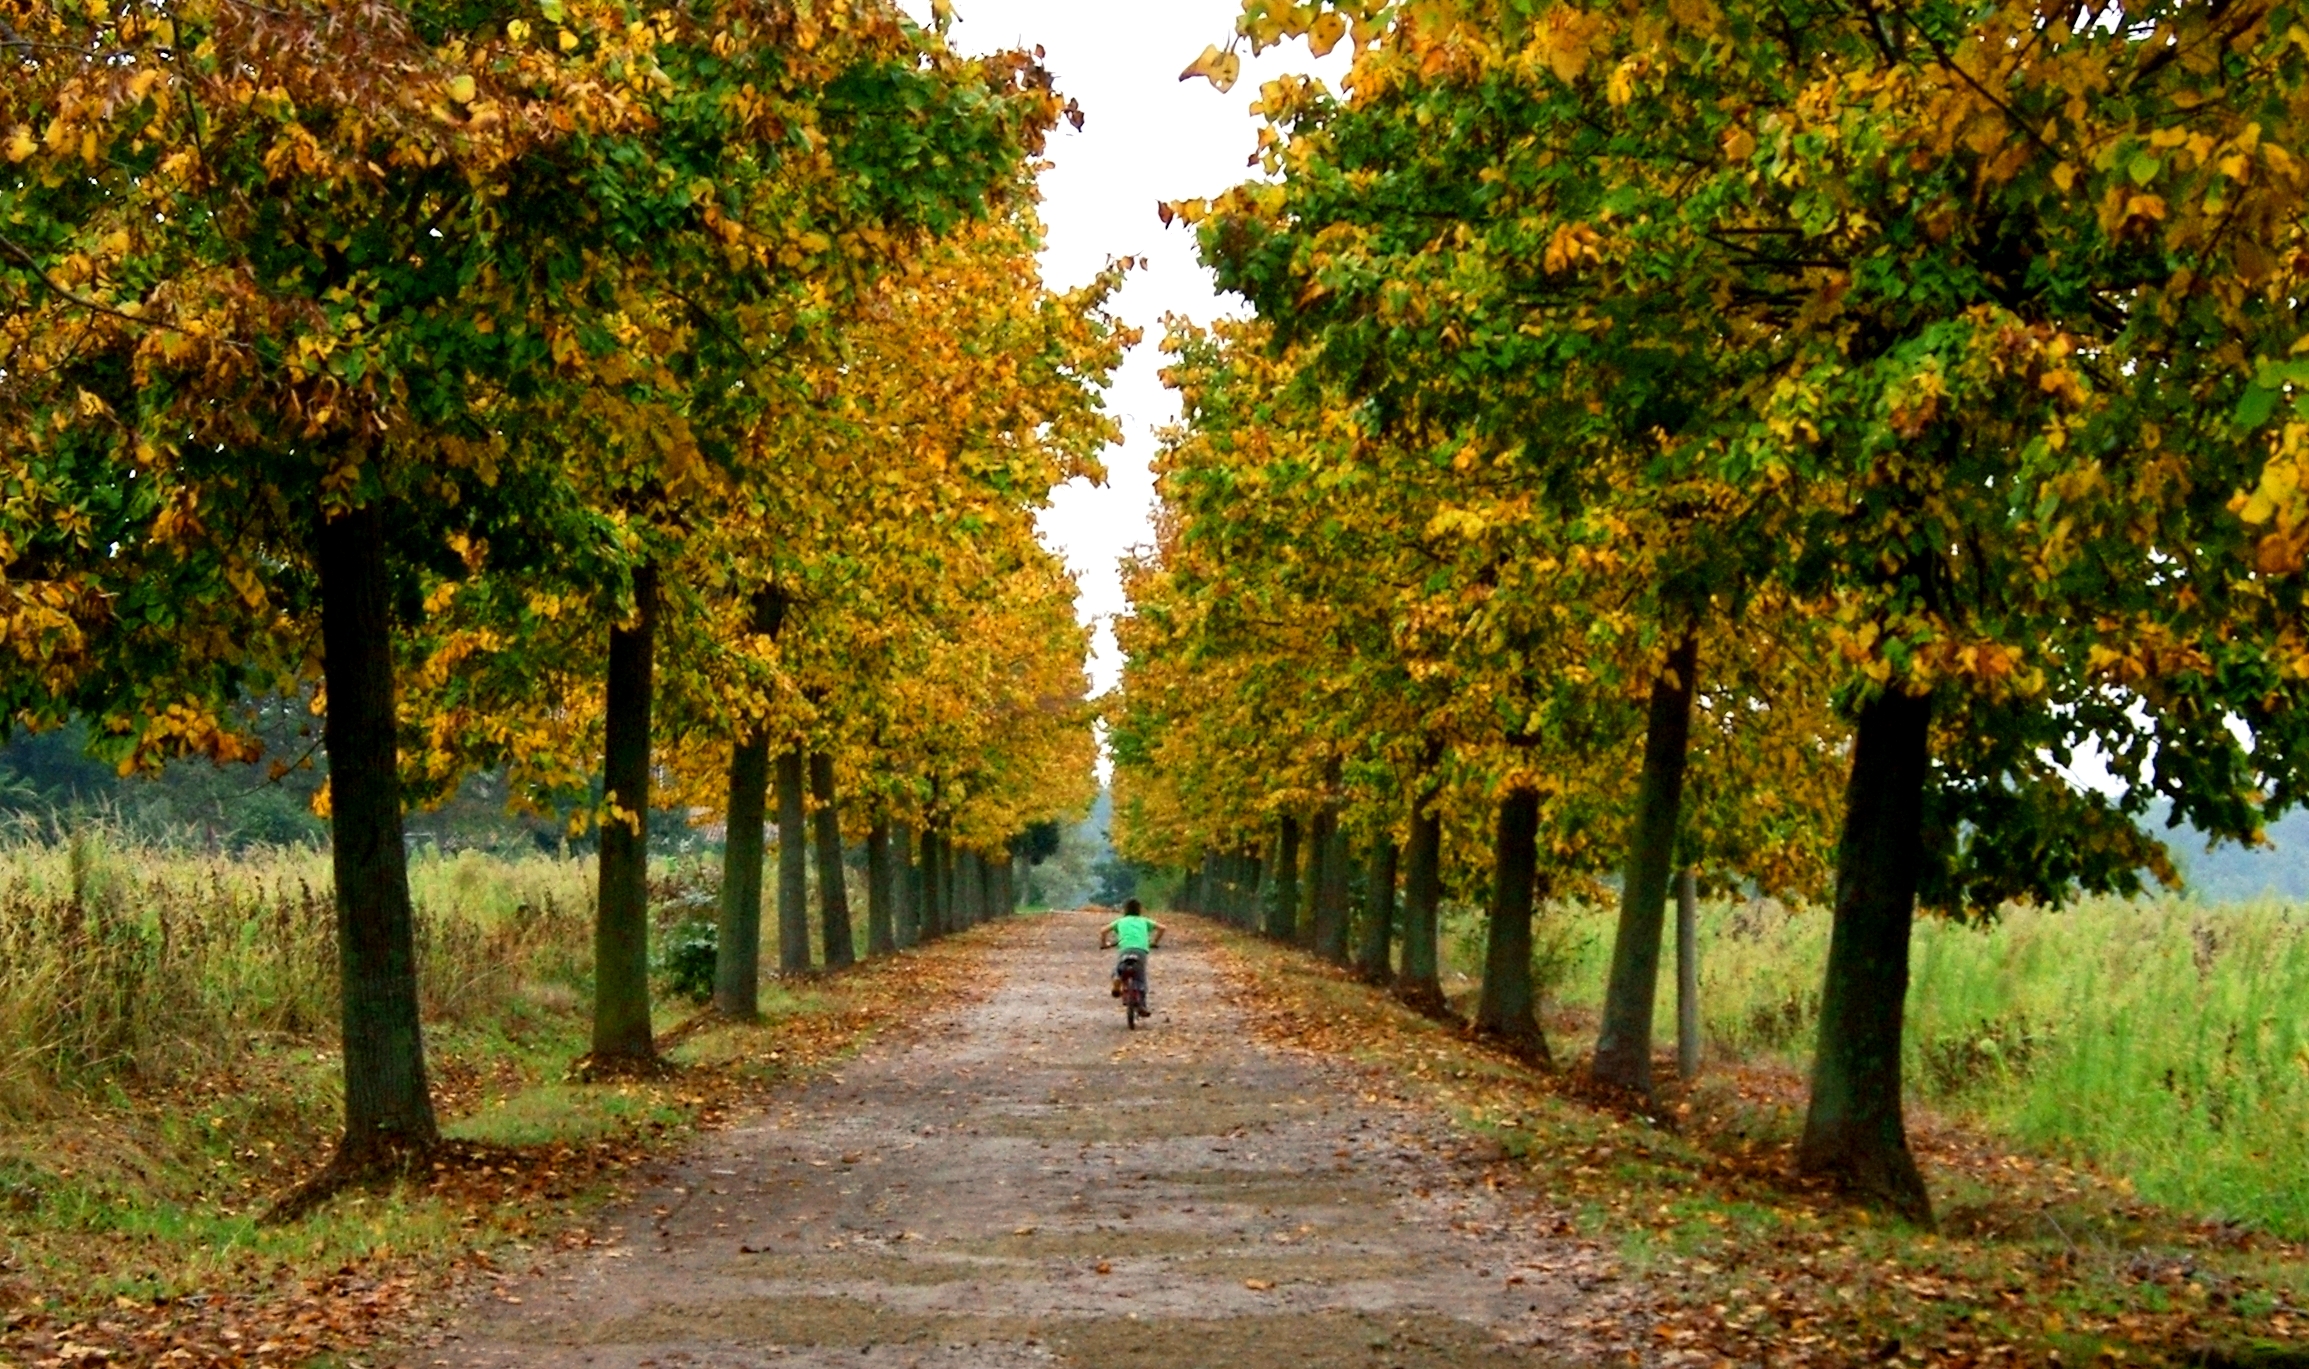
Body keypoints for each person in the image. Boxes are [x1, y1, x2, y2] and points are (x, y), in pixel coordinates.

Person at [1100, 898, 1165, 1008]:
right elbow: (1162, 928)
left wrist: (1104, 944)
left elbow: (1103, 930)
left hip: (1125, 949)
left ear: (1125, 909)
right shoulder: (1144, 921)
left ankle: (1117, 978)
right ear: (1140, 909)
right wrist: (1155, 942)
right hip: (1141, 950)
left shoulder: (1121, 921)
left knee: (1118, 968)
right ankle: (1142, 1005)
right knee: (1140, 976)